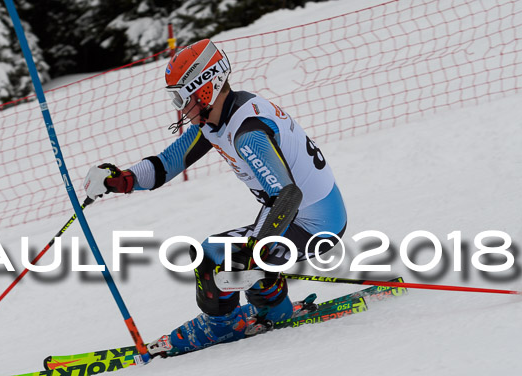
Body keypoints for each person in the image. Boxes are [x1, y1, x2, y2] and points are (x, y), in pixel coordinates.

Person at [83, 39, 347, 356]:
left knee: (213, 255)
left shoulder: (246, 133)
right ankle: (277, 313)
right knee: (242, 252)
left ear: (205, 88)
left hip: (311, 223)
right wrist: (122, 181)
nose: (179, 107)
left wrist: (254, 249)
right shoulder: (218, 118)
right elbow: (168, 164)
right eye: (174, 98)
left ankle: (221, 326)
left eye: (182, 97)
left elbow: (287, 197)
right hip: (305, 216)